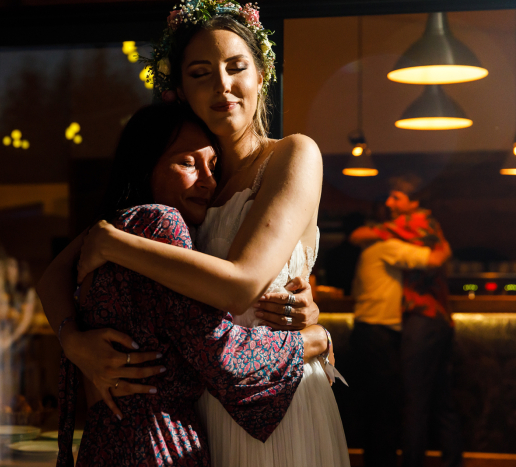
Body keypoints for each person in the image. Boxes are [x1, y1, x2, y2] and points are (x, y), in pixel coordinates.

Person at [50, 2, 349, 466]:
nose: (223, 85)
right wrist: (74, 343)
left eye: (236, 67)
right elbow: (55, 275)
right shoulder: (184, 185)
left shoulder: (291, 156)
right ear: (180, 89)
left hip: (278, 399)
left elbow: (241, 285)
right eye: (200, 72)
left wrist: (116, 244)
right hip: (197, 412)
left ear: (262, 73)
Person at [350, 175, 462, 467]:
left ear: (414, 203)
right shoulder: (423, 227)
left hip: (421, 319)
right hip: (436, 319)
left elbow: (359, 235)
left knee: (414, 401)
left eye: (396, 197)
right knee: (440, 400)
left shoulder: (409, 225)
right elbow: (442, 252)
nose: (389, 202)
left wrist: (444, 251)